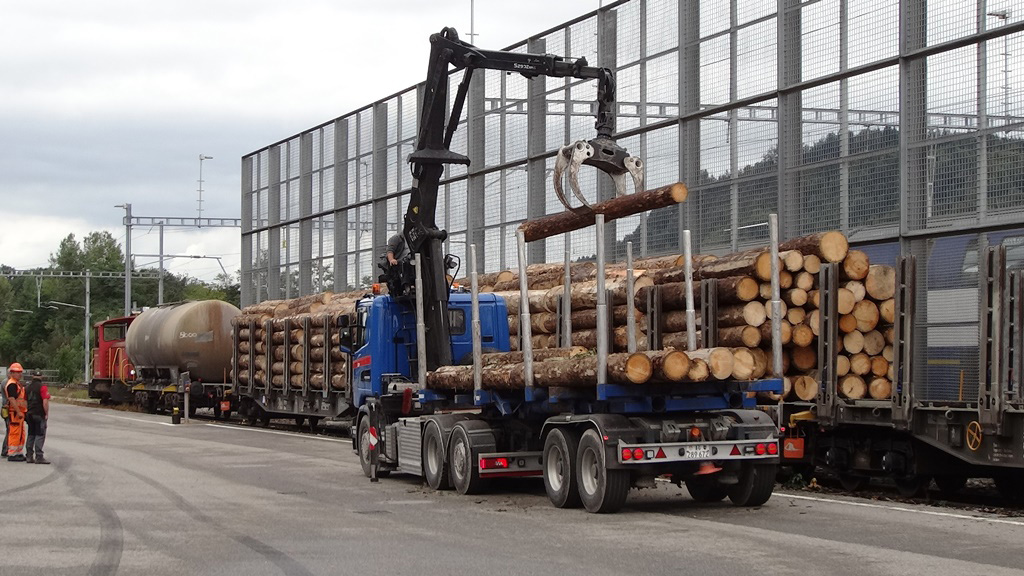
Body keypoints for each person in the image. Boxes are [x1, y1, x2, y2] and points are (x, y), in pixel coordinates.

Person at [24, 370, 50, 465]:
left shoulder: (27, 388)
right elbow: (45, 401)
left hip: (29, 414)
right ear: (41, 377)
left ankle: (29, 456)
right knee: (40, 434)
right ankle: (39, 456)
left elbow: (24, 401)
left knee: (31, 434)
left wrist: (26, 412)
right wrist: (46, 413)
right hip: (39, 414)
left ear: (32, 377)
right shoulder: (43, 387)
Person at [5, 363, 27, 462]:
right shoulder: (12, 384)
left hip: (19, 413)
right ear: (12, 373)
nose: (19, 374)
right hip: (14, 412)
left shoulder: (17, 383)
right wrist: (18, 411)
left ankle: (18, 452)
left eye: (20, 372)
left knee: (20, 433)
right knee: (14, 433)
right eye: (17, 372)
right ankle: (12, 454)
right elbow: (12, 399)